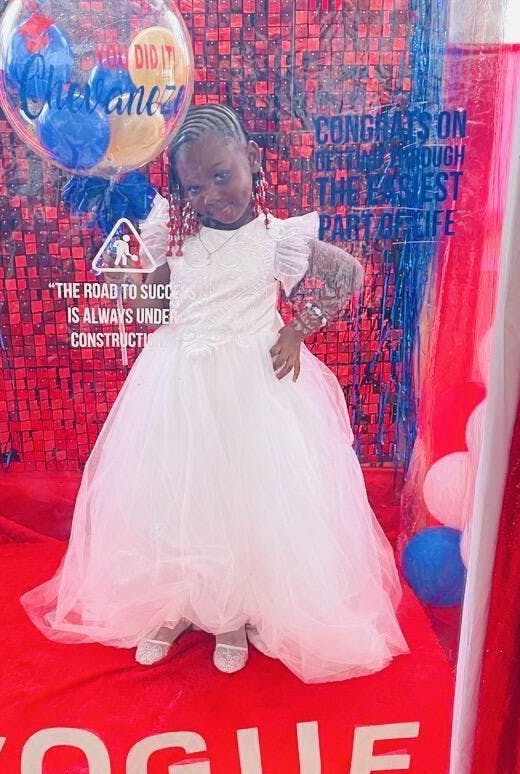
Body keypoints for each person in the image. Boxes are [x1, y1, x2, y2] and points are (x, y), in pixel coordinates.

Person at [22, 104, 408, 683]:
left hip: (250, 385)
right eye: (195, 187)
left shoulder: (277, 238)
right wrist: (129, 269)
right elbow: (147, 301)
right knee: (174, 492)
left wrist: (296, 331)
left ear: (251, 159)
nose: (210, 196)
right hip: (177, 378)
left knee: (241, 496)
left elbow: (346, 275)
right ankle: (177, 601)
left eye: (221, 176)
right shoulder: (174, 235)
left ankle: (232, 613)